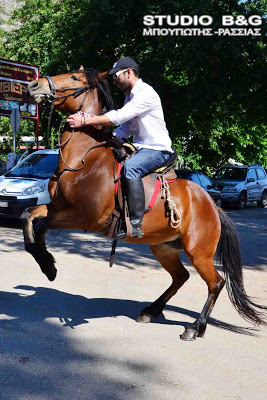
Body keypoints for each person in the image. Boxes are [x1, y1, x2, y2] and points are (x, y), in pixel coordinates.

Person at [67, 57, 173, 239]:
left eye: (116, 76)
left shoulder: (146, 93)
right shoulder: (129, 96)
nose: (114, 81)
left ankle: (135, 223)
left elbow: (119, 117)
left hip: (157, 150)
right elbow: (126, 127)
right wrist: (110, 139)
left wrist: (85, 120)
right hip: (141, 148)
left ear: (129, 72)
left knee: (131, 169)